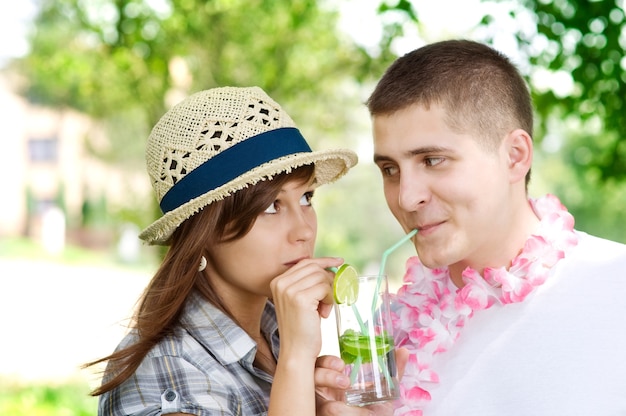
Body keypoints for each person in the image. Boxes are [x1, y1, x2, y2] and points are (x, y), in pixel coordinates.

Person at [316, 39, 626, 415]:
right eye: (390, 170)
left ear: (515, 157)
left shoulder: (614, 289)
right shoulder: (389, 340)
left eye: (432, 160)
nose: (405, 198)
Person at [85, 86, 358, 416]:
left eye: (306, 198)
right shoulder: (169, 371)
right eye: (272, 206)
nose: (304, 231)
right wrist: (297, 361)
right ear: (206, 231)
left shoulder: (274, 335)